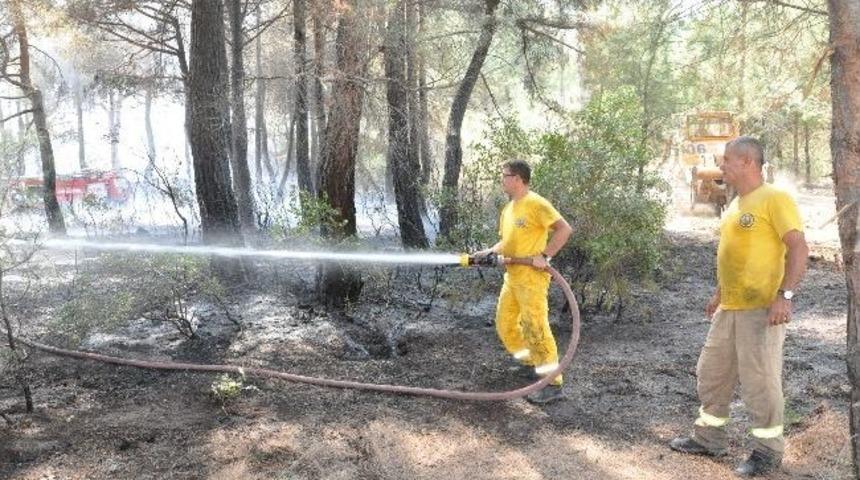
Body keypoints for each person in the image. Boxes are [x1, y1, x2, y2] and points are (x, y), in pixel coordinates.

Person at [669, 136, 808, 477]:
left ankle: (767, 452)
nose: (722, 166)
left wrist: (784, 296)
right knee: (712, 373)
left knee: (760, 381)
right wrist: (720, 293)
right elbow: (737, 256)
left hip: (762, 309)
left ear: (747, 161)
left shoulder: (774, 199)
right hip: (730, 307)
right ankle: (708, 438)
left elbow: (799, 248)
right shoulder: (735, 204)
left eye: (727, 160)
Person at [473, 159, 573, 404]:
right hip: (512, 277)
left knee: (535, 327)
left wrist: (545, 255)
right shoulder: (508, 209)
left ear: (517, 178)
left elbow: (564, 229)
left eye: (504, 175)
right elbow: (505, 243)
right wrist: (489, 252)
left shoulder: (536, 204)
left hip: (531, 279)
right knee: (505, 324)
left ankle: (552, 383)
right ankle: (532, 363)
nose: (501, 180)